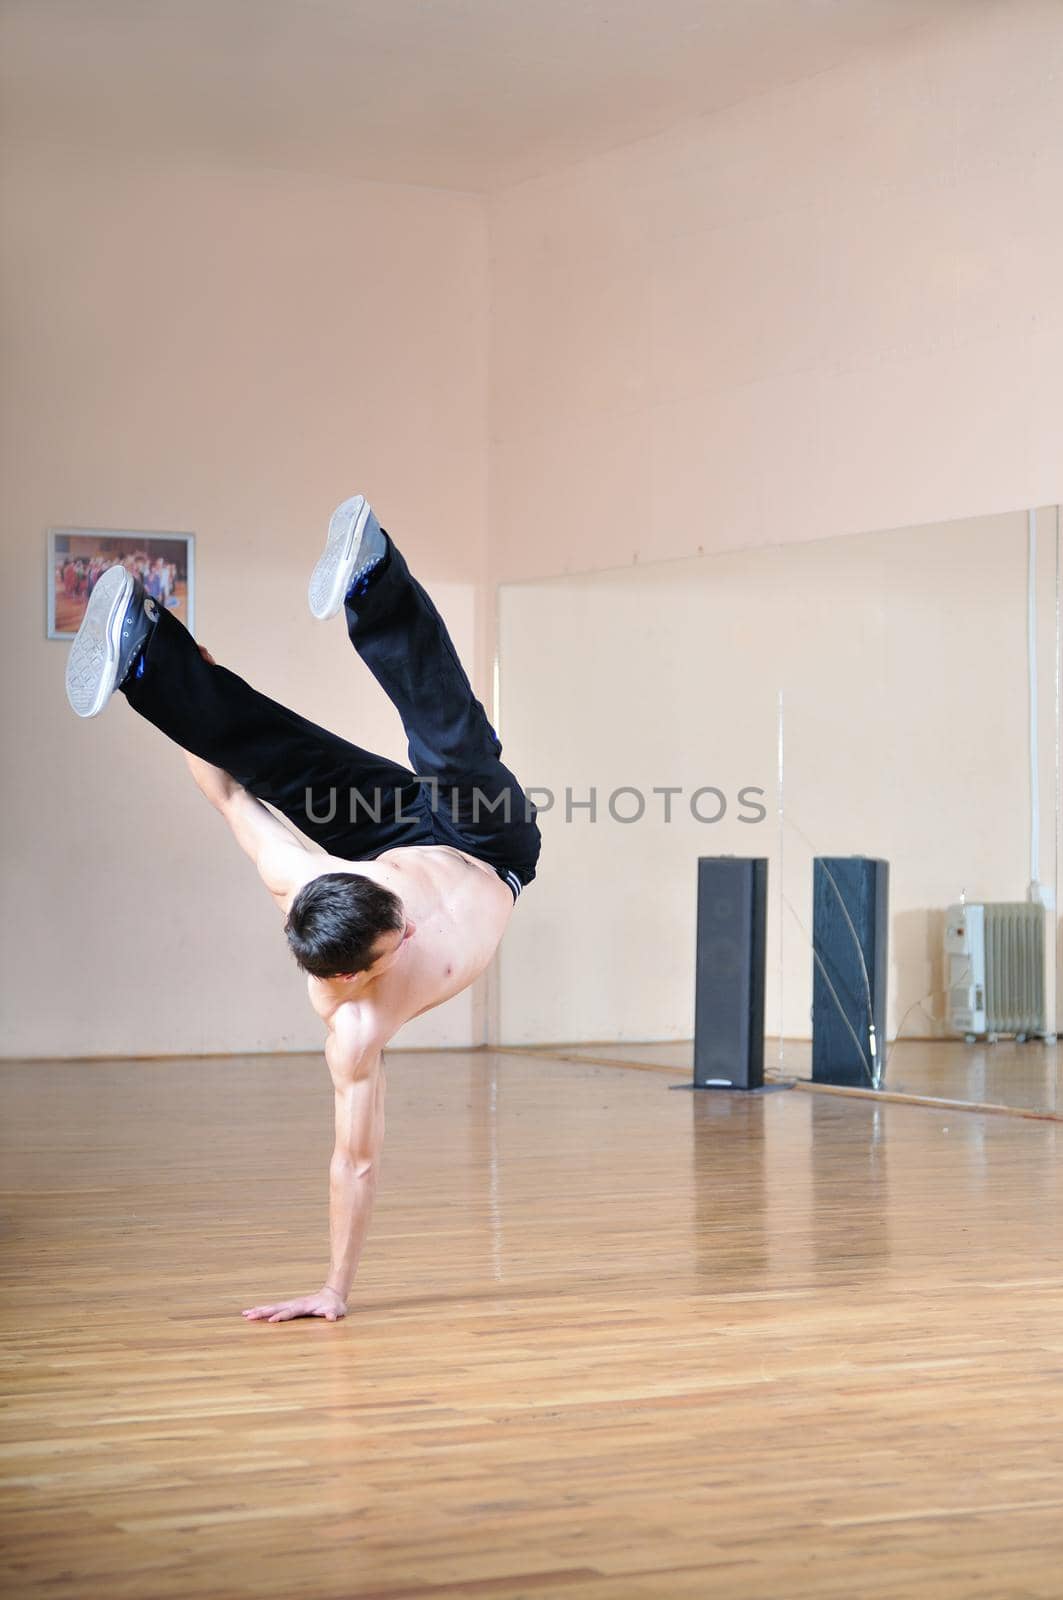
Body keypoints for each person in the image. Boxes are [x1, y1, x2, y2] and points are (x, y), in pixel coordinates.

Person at [65, 496, 541, 1323]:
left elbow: (226, 789)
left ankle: (150, 649)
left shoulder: (298, 870)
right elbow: (352, 1164)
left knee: (272, 756)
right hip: (494, 849)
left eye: (398, 913)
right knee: (455, 753)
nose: (417, 927)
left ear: (345, 881)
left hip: (395, 830)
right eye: (402, 944)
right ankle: (340, 597)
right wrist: (334, 1290)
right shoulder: (357, 1031)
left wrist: (192, 694)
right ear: (359, 974)